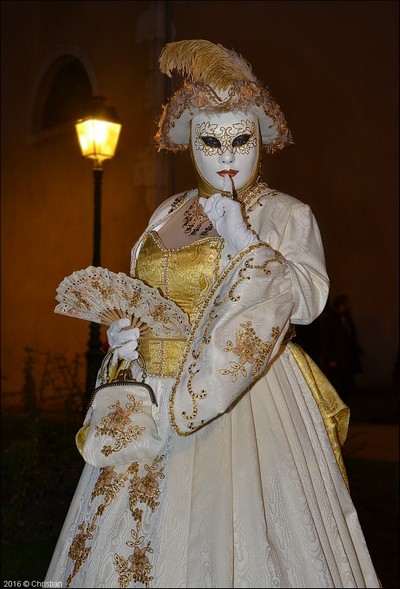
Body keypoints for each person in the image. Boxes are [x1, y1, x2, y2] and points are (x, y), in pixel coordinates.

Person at [46, 40, 380, 588]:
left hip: (252, 397)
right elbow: (142, 288)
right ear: (189, 140)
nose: (226, 154)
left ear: (261, 138)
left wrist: (250, 245)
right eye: (210, 139)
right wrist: (124, 332)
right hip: (154, 396)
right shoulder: (167, 211)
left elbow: (308, 298)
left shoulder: (285, 214)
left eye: (240, 138)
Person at [320, 294, 363, 401]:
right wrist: (330, 358)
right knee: (337, 382)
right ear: (341, 305)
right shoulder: (331, 318)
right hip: (337, 358)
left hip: (346, 357)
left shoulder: (347, 318)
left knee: (346, 381)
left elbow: (350, 336)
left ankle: (346, 399)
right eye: (346, 304)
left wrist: (356, 349)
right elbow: (327, 339)